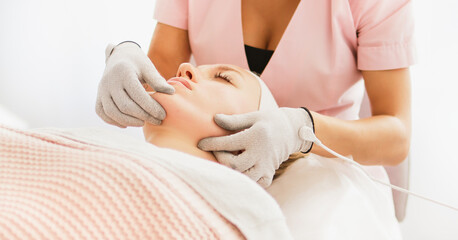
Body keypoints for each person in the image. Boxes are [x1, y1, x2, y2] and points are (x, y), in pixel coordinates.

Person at [96, 0, 415, 187]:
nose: (185, 70)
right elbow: (161, 72)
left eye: (223, 78)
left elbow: (396, 135)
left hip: (325, 172)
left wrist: (300, 131)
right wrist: (124, 57)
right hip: (203, 169)